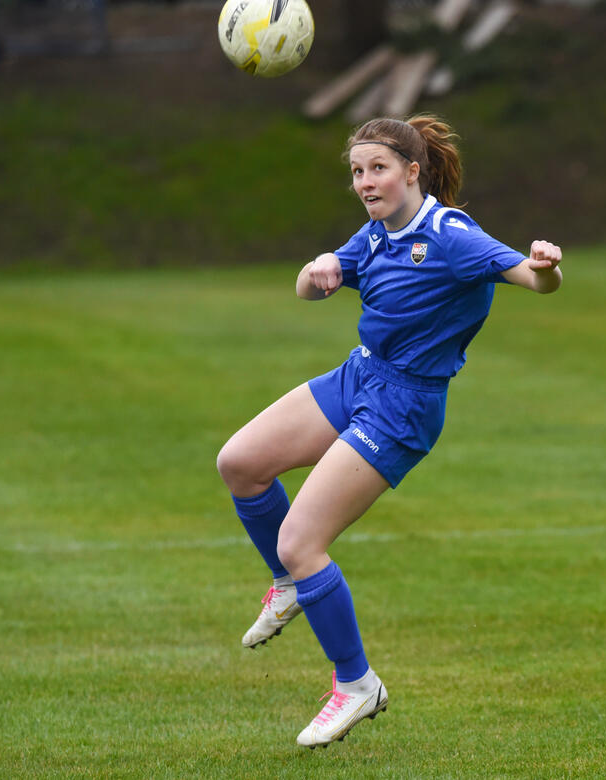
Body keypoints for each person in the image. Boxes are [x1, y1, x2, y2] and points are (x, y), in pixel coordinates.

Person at [215, 115, 563, 749]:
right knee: (239, 462)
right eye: (356, 171)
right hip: (360, 376)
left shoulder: (451, 235)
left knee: (302, 540)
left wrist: (545, 264)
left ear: (412, 170)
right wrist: (318, 267)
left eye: (377, 169)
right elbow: (307, 289)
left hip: (403, 406)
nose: (365, 182)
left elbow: (533, 279)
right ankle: (290, 585)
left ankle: (356, 685)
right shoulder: (376, 233)